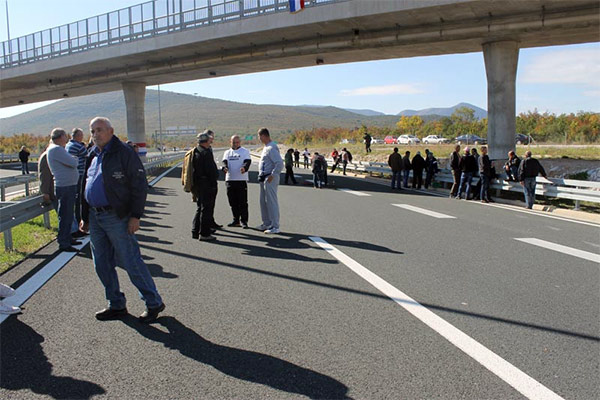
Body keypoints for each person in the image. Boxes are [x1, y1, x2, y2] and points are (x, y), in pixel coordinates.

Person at [80, 116, 165, 323]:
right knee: (101, 263)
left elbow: (139, 185)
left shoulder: (124, 153)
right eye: (92, 131)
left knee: (130, 261)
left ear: (111, 131)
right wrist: (84, 216)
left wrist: (135, 215)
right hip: (95, 215)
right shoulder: (92, 153)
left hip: (116, 215)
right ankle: (116, 303)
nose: (95, 134)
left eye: (100, 130)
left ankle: (153, 302)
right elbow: (84, 184)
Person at [47, 128, 81, 252]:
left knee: (68, 214)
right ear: (61, 136)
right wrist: (73, 159)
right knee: (66, 215)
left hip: (67, 185)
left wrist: (72, 160)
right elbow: (74, 162)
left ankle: (67, 237)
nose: (67, 138)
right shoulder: (56, 149)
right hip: (65, 186)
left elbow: (71, 161)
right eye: (65, 136)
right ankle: (64, 241)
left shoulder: (56, 149)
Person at [187, 131, 220, 241]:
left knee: (200, 207)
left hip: (199, 184)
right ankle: (204, 233)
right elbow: (211, 171)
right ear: (206, 141)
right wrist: (215, 179)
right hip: (207, 184)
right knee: (206, 209)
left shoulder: (196, 151)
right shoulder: (205, 153)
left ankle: (195, 231)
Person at [257, 127, 283, 234]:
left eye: (259, 136)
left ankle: (275, 226)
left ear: (264, 136)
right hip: (264, 178)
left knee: (271, 202)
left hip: (270, 178)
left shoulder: (271, 147)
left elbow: (279, 163)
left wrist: (273, 174)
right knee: (263, 202)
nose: (259, 139)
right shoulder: (266, 147)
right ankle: (267, 223)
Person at [222, 135, 251, 228]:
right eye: (233, 142)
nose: (235, 144)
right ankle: (236, 220)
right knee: (232, 202)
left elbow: (247, 162)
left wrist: (244, 168)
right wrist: (225, 168)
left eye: (237, 142)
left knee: (242, 202)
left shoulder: (245, 151)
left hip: (241, 180)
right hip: (230, 179)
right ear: (230, 142)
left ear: (240, 142)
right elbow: (224, 162)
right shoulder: (227, 152)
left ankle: (244, 221)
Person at [66, 128, 88, 238]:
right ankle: (80, 223)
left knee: (75, 200)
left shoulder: (68, 145)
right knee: (79, 200)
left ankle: (76, 224)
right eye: (81, 135)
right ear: (78, 136)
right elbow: (88, 154)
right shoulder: (78, 146)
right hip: (79, 174)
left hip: (72, 175)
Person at [38, 141, 56, 209]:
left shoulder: (50, 155)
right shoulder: (47, 156)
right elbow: (45, 176)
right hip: (51, 193)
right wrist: (45, 192)